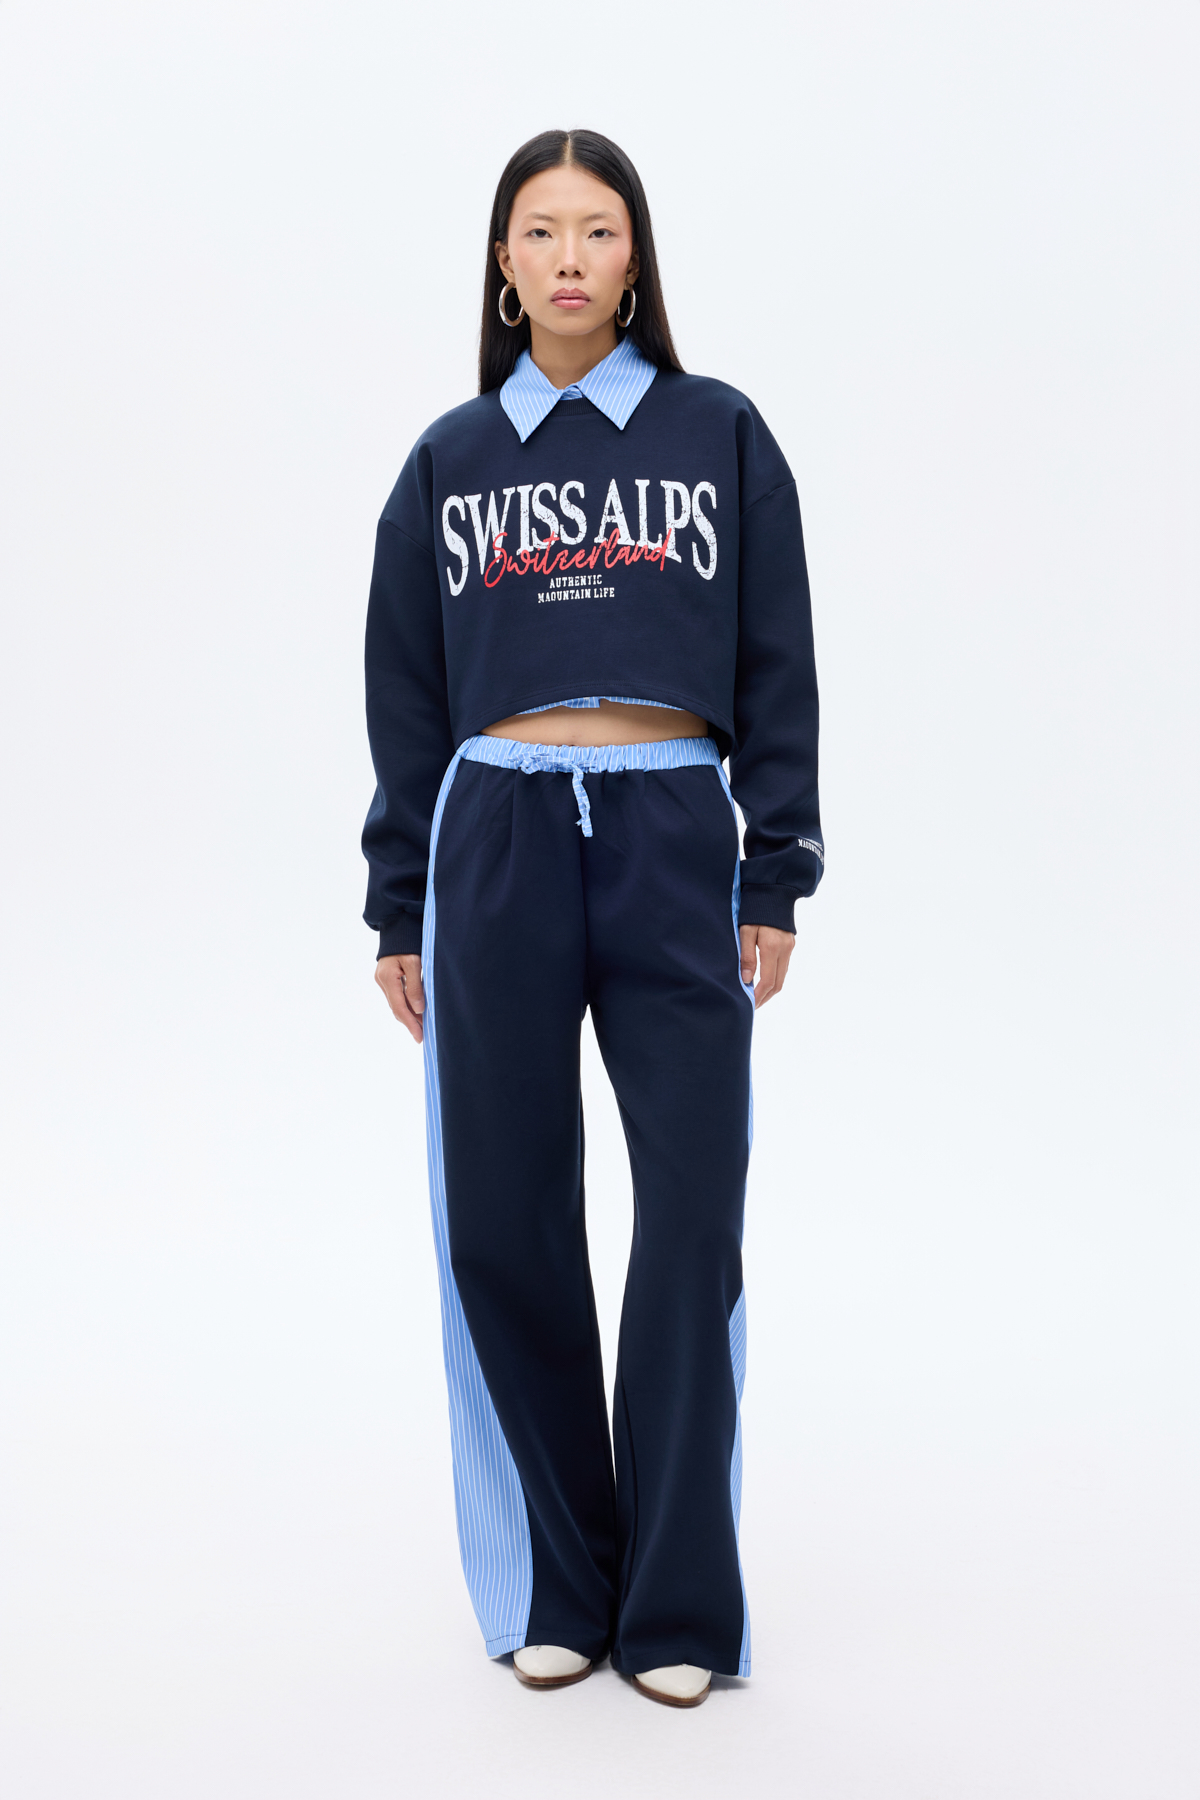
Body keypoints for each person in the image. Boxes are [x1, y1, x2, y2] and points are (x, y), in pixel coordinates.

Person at [362, 128, 823, 1708]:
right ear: (503, 262)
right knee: (503, 1212)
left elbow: (778, 659)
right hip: (492, 828)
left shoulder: (718, 432)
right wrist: (401, 903)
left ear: (638, 259)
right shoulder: (449, 461)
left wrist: (776, 868)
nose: (570, 257)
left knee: (691, 1211)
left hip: (672, 827)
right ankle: (562, 1578)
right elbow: (405, 696)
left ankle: (681, 1601)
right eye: (541, 230)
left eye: (600, 229)